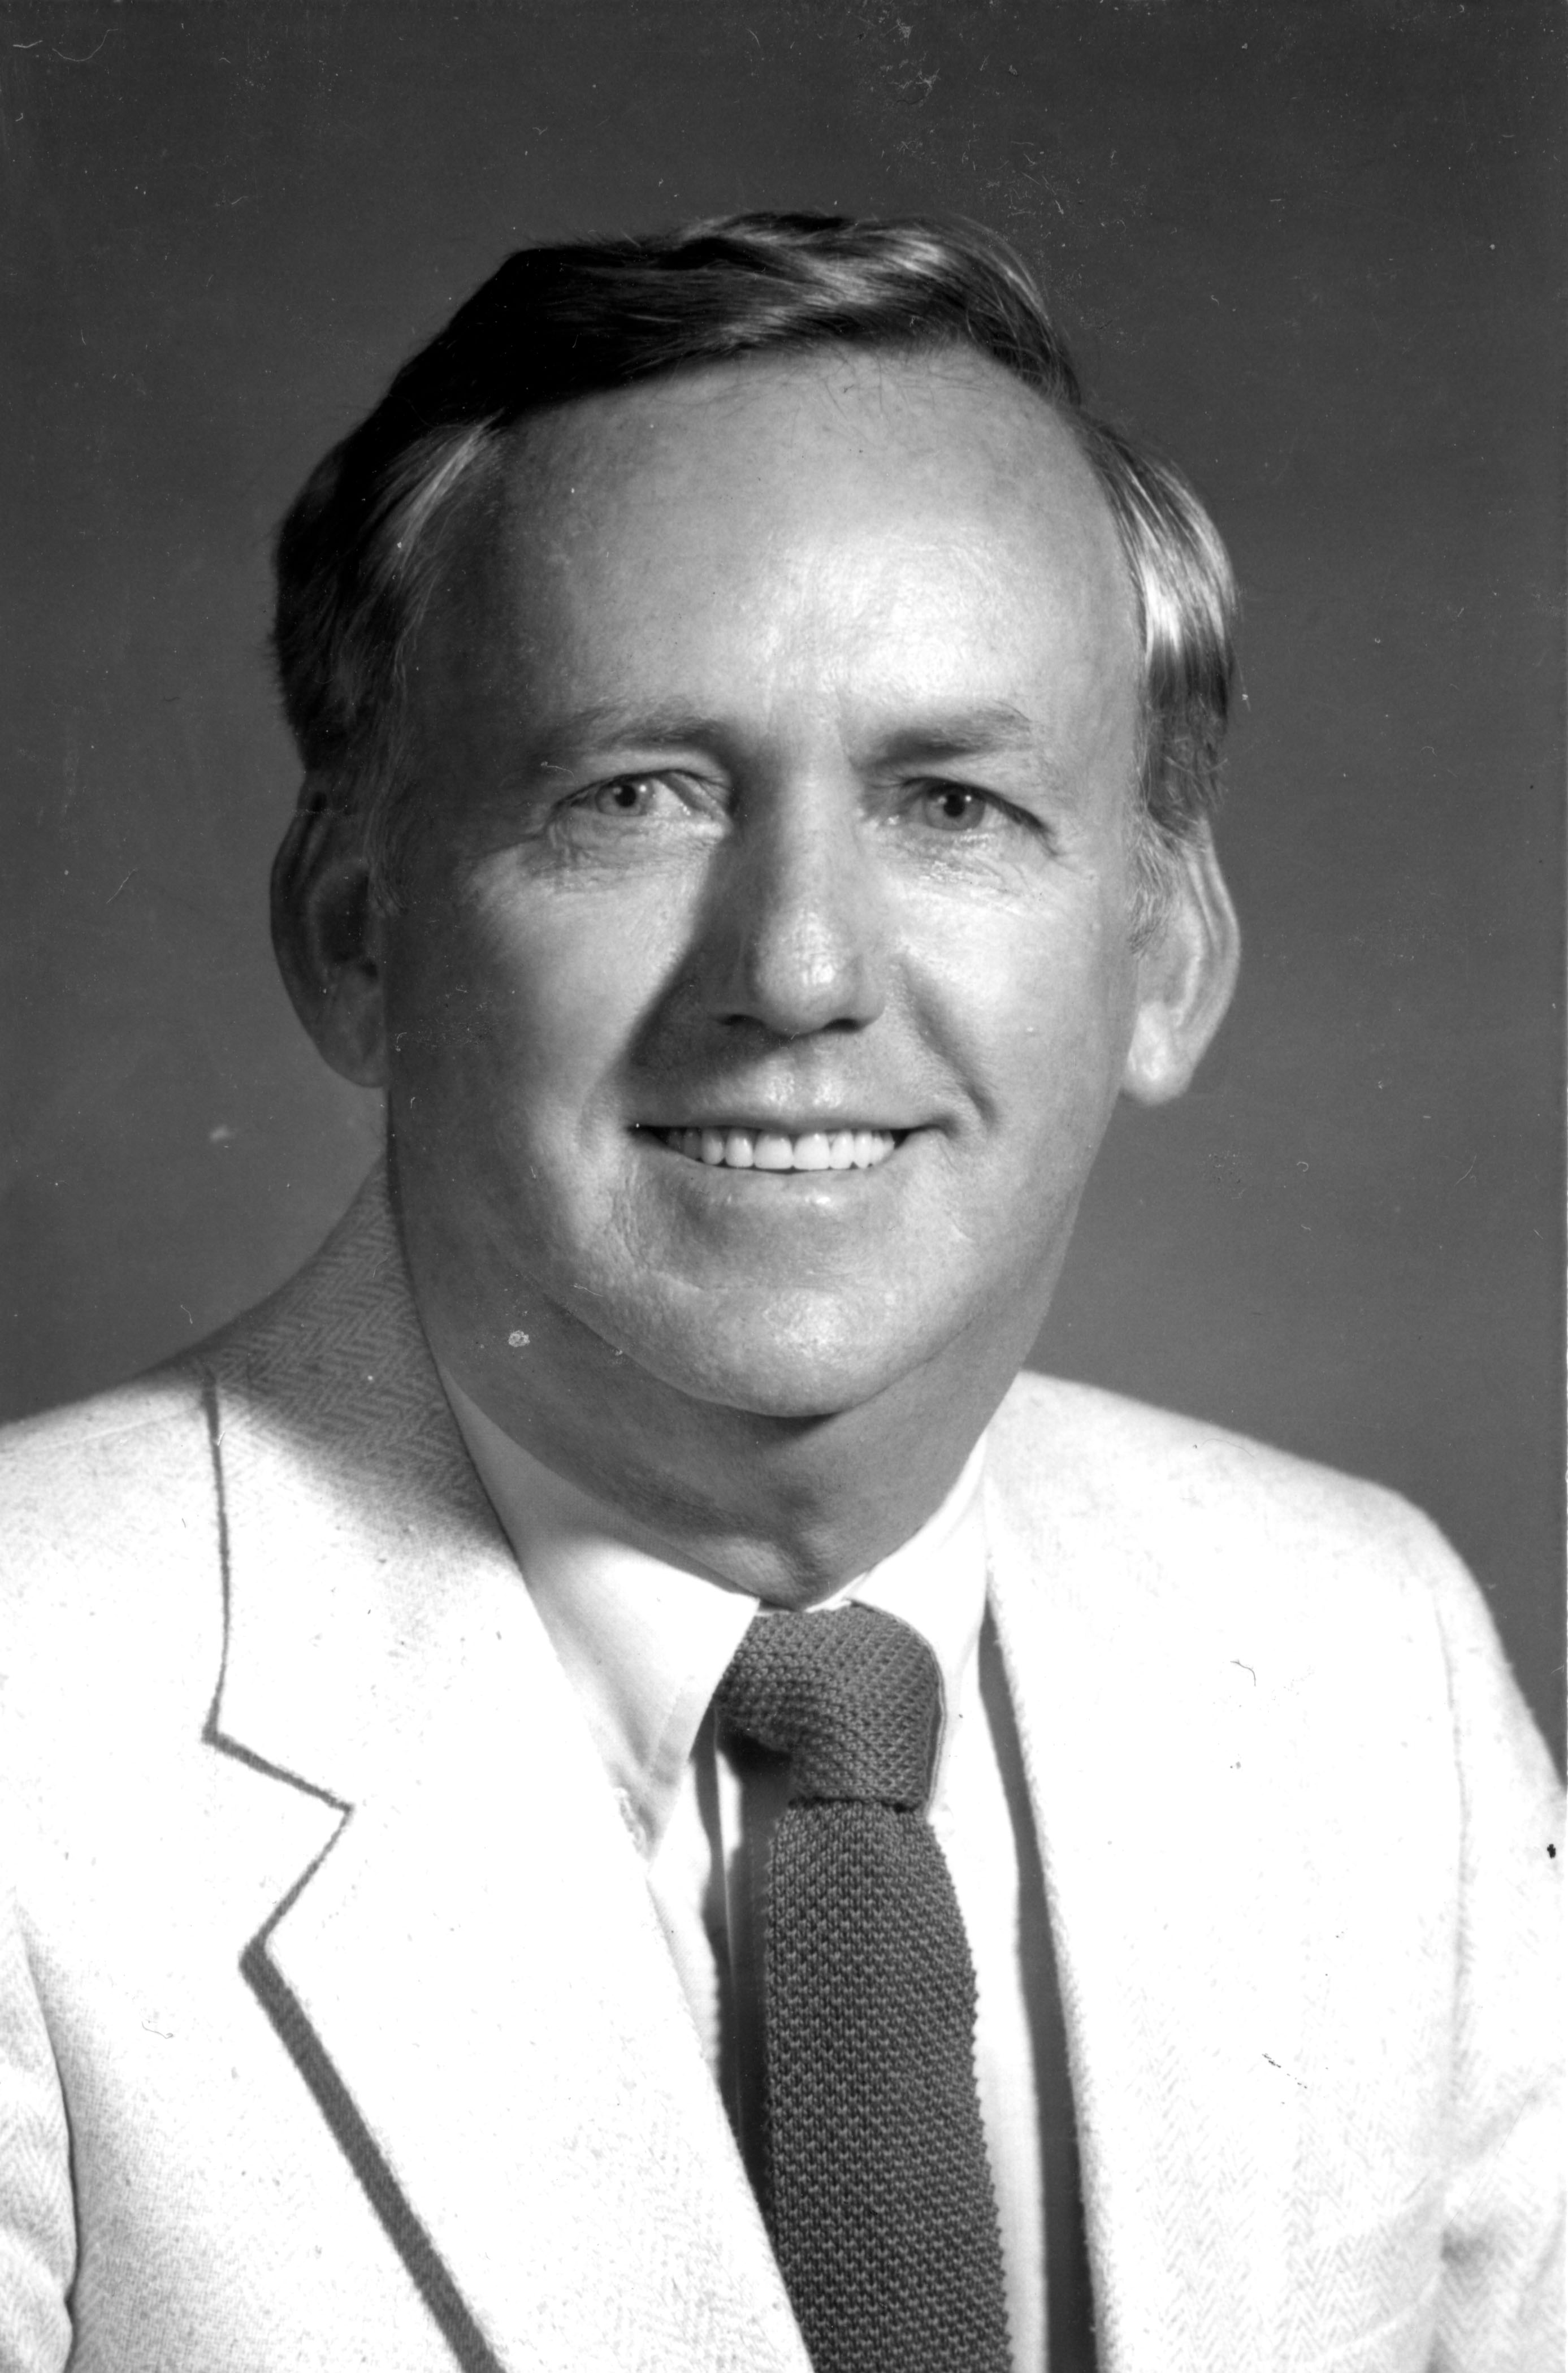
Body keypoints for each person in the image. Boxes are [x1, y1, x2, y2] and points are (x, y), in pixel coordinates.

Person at [0, 213, 1557, 2373]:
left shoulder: (1361, 1648)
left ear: (1168, 960)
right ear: (355, 936)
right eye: (637, 795)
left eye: (954, 802)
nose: (801, 971)